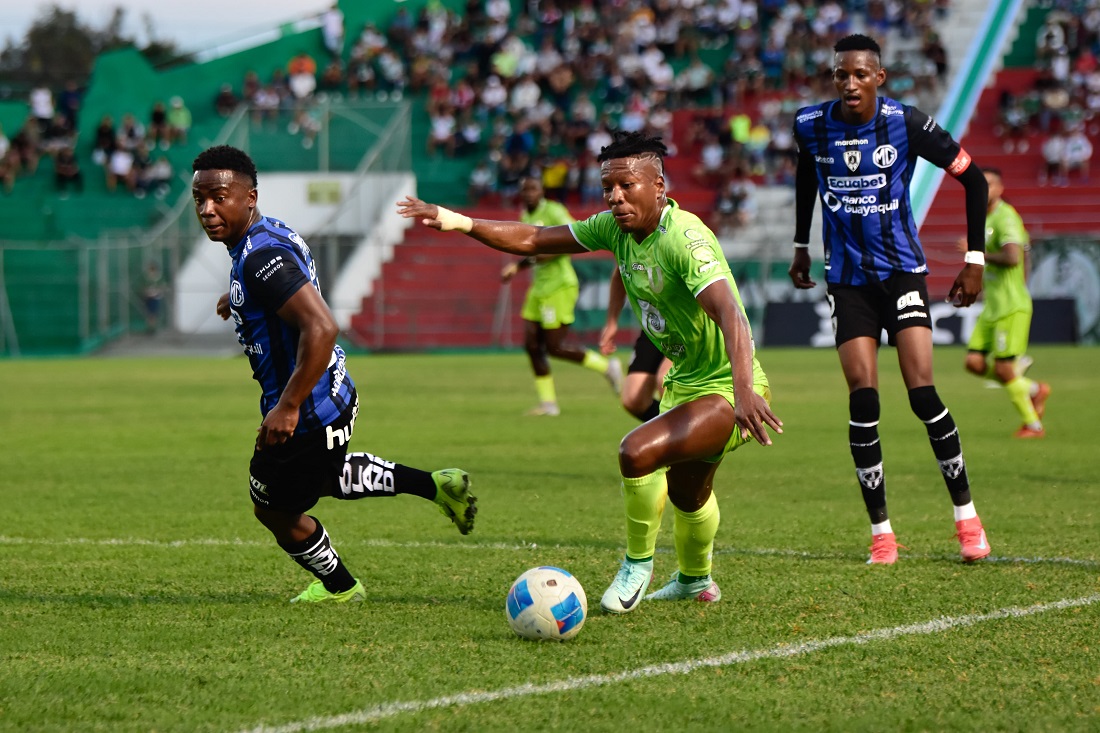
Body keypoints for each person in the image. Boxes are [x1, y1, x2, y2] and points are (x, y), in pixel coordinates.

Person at [398, 131, 781, 614]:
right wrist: (458, 221)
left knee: (636, 452)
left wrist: (744, 391)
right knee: (688, 492)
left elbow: (731, 313)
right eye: (608, 188)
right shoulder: (615, 230)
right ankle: (695, 580)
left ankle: (636, 566)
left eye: (627, 186)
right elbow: (535, 238)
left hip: (729, 386)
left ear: (658, 186)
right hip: (685, 383)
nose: (615, 197)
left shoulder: (686, 238)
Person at [192, 145, 477, 603]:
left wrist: (288, 406)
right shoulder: (268, 233)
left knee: (273, 508)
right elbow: (284, 283)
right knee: (321, 478)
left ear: (250, 197)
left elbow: (322, 326)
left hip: (304, 410)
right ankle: (436, 485)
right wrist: (240, 295)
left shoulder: (260, 257)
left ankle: (342, 588)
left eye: (219, 198)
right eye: (200, 199)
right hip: (334, 393)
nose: (207, 209)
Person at [788, 34, 992, 565]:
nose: (850, 82)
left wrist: (975, 260)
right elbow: (807, 172)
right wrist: (800, 244)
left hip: (902, 274)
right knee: (863, 400)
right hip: (847, 281)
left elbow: (974, 181)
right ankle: (882, 534)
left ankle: (967, 520)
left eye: (860, 73)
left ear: (879, 77)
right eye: (841, 74)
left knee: (922, 393)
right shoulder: (810, 124)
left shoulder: (908, 123)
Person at [499, 177, 623, 416]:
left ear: (542, 191)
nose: (529, 194)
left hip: (559, 286)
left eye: (533, 189)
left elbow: (572, 240)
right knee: (531, 345)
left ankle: (608, 368)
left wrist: (520, 265)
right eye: (525, 190)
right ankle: (548, 404)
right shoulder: (525, 215)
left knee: (554, 347)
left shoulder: (554, 211)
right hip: (538, 288)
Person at [960, 168, 1051, 438]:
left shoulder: (1006, 216)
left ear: (1000, 188)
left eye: (990, 184)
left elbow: (1012, 257)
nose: (985, 189)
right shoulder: (984, 218)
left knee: (1003, 368)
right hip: (993, 306)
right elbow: (1024, 254)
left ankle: (1033, 425)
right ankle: (1033, 389)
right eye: (982, 184)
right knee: (974, 362)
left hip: (1010, 307)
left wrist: (976, 253)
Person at [600, 267, 672, 421]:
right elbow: (619, 275)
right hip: (655, 326)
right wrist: (612, 322)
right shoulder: (626, 252)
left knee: (666, 381)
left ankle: (695, 432)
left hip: (687, 326)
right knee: (634, 400)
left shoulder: (677, 252)